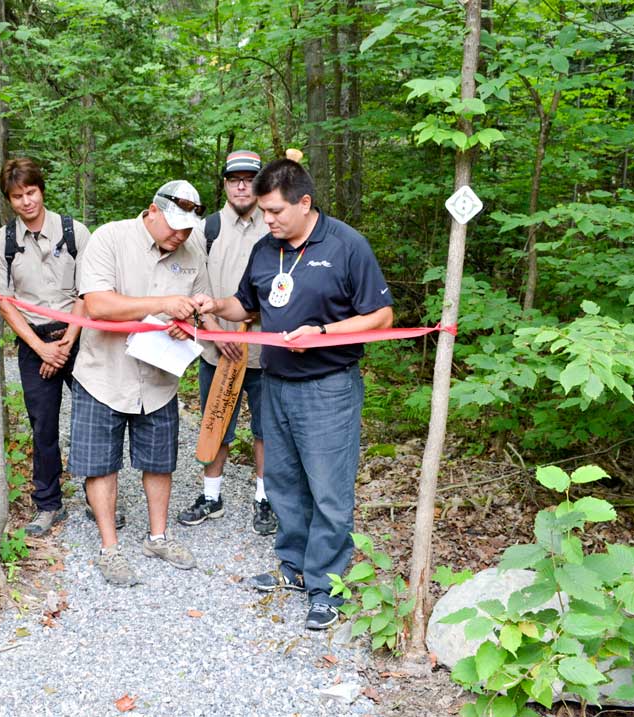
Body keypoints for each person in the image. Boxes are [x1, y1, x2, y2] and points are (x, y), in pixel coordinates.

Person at [195, 159, 394, 630]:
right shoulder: (267, 249)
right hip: (276, 383)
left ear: (305, 204)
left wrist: (323, 330)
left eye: (276, 211)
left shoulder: (346, 245)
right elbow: (247, 305)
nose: (268, 220)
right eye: (264, 212)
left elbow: (381, 316)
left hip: (328, 388)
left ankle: (326, 586)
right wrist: (215, 305)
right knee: (283, 483)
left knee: (328, 490)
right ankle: (294, 567)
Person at [69, 180, 211, 587]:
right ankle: (109, 548)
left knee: (159, 460)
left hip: (159, 379)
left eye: (187, 229)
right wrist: (162, 305)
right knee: (100, 464)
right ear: (152, 210)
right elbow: (97, 304)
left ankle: (158, 537)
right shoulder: (110, 238)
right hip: (104, 375)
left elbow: (201, 310)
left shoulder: (192, 250)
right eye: (174, 227)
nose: (180, 236)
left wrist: (190, 325)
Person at [177, 150, 275, 536]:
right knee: (216, 423)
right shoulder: (208, 229)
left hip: (266, 351)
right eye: (233, 178)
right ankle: (211, 496)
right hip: (218, 350)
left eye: (249, 178)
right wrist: (217, 329)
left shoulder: (274, 225)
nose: (240, 185)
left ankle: (265, 499)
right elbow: (193, 284)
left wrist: (251, 323)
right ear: (224, 184)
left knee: (267, 431)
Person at [0, 158, 91, 538]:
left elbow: (89, 291)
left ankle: (96, 497)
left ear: (42, 190)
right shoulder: (3, 241)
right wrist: (41, 348)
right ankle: (48, 504)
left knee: (91, 420)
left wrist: (66, 343)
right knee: (43, 426)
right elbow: (5, 301)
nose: (26, 201)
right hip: (33, 341)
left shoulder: (75, 231)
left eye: (31, 192)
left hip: (78, 338)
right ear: (9, 199)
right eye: (17, 196)